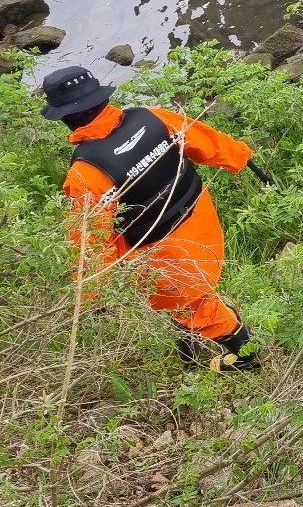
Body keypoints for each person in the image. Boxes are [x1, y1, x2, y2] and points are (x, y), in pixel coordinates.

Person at [41, 66, 269, 372]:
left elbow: (89, 244)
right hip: (202, 219)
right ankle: (189, 344)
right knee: (195, 291)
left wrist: (94, 295)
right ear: (101, 97)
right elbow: (208, 141)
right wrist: (240, 156)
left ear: (65, 118)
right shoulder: (154, 116)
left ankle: (247, 357)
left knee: (196, 306)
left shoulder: (86, 174)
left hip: (166, 254)